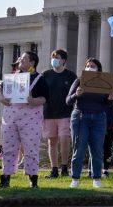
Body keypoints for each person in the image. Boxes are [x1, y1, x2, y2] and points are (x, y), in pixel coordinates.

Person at [0, 51, 49, 188]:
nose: (21, 60)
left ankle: (33, 178)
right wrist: (1, 98)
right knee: (8, 147)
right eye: (20, 58)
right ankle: (5, 177)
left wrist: (32, 100)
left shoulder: (39, 79)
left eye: (24, 58)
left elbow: (44, 98)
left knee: (31, 148)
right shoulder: (12, 77)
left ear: (32, 63)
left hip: (31, 118)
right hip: (10, 117)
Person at [65, 58, 113, 188]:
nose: (89, 68)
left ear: (98, 69)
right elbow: (68, 101)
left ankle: (96, 178)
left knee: (97, 150)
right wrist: (76, 94)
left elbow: (107, 104)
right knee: (79, 149)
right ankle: (75, 178)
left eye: (92, 66)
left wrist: (110, 99)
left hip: (99, 118)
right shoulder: (78, 81)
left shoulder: (104, 83)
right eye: (87, 66)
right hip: (81, 117)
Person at [42, 49, 78, 179]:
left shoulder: (71, 76)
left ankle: (64, 167)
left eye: (57, 57)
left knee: (64, 139)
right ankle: (54, 169)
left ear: (63, 60)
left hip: (65, 113)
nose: (54, 60)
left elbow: (74, 95)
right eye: (53, 57)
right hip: (49, 113)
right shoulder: (45, 74)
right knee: (52, 141)